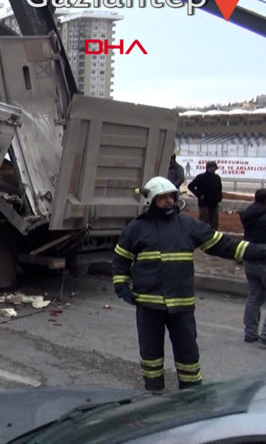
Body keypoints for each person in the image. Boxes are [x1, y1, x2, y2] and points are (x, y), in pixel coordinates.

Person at [112, 176, 266, 392]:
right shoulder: (135, 229)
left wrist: (259, 252)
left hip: (181, 305)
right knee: (151, 355)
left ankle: (191, 394)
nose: (168, 201)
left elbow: (225, 246)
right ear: (150, 200)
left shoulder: (189, 226)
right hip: (148, 306)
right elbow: (121, 259)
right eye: (162, 197)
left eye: (171, 197)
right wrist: (121, 286)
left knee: (188, 355)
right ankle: (154, 392)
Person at [240, 188, 266, 347]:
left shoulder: (248, 214)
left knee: (253, 297)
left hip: (249, 256)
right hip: (264, 257)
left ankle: (250, 333)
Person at [187, 161, 222, 230]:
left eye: (215, 168)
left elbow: (219, 189)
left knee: (214, 224)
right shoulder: (201, 177)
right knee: (202, 223)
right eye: (212, 168)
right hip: (204, 204)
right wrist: (199, 195)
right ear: (208, 168)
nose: (213, 169)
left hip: (214, 204)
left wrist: (219, 198)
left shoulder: (217, 178)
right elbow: (190, 186)